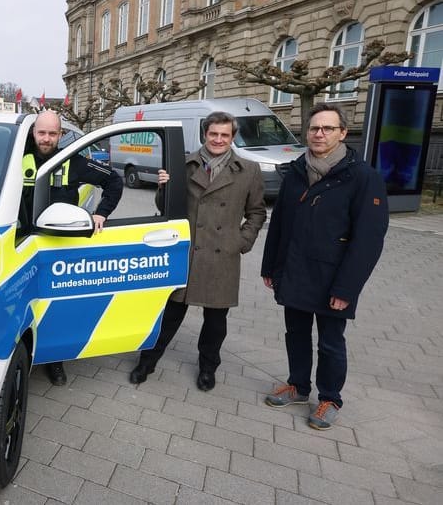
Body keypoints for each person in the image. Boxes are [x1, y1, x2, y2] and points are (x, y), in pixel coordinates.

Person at [261, 103, 388, 430]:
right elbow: (279, 224)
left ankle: (329, 398)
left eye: (328, 128)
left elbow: (368, 241)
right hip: (294, 271)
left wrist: (347, 289)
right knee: (296, 333)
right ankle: (298, 386)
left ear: (342, 133)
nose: (319, 134)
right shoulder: (296, 171)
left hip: (333, 278)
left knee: (331, 342)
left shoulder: (362, 177)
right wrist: (270, 266)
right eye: (315, 128)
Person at [129, 111, 266, 391]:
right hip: (186, 253)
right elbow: (165, 207)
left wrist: (242, 241)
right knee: (169, 315)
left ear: (232, 137)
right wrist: (163, 187)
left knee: (215, 322)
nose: (218, 139)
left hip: (221, 255)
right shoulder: (184, 164)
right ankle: (148, 361)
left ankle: (208, 368)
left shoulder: (248, 170)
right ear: (205, 133)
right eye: (213, 134)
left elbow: (257, 212)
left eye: (224, 135)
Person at [24, 110, 124, 385]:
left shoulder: (73, 161)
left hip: (59, 247)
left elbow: (114, 181)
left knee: (55, 307)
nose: (46, 139)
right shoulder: (15, 159)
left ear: (60, 134)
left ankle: (55, 360)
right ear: (33, 132)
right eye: (41, 133)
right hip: (21, 246)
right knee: (25, 307)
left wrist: (101, 213)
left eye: (52, 133)